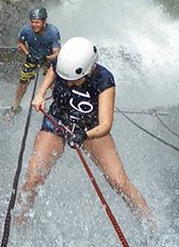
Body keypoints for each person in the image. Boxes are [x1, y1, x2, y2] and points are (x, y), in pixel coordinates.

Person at [16, 36, 153, 221]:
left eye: (74, 81)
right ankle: (19, 225)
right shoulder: (64, 63)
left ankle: (151, 225)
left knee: (118, 181)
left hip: (90, 128)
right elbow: (53, 70)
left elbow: (105, 125)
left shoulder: (103, 80)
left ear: (88, 72)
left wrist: (83, 135)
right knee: (33, 179)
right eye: (65, 79)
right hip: (58, 120)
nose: (68, 84)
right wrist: (40, 93)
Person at [5, 6, 61, 121]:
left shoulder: (53, 32)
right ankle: (15, 107)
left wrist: (47, 58)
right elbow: (20, 43)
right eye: (32, 22)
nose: (34, 25)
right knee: (22, 84)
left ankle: (58, 107)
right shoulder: (26, 30)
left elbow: (57, 52)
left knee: (53, 85)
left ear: (44, 22)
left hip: (48, 60)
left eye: (37, 22)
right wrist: (28, 54)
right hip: (32, 58)